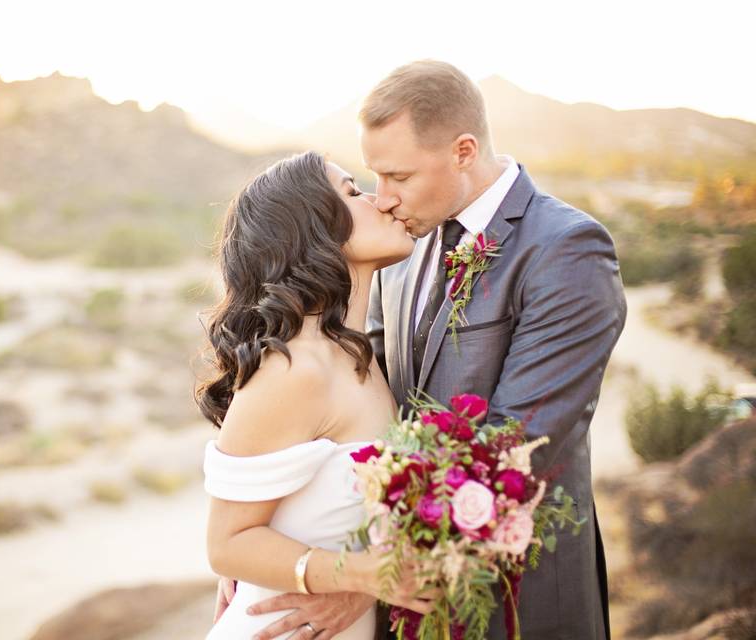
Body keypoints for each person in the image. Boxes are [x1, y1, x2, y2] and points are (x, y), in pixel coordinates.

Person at [236, 60, 627, 640]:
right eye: (374, 177)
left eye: (398, 176)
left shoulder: (564, 250)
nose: (384, 198)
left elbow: (512, 448)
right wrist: (265, 546)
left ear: (463, 151)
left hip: (516, 596)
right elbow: (355, 409)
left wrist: (364, 580)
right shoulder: (400, 249)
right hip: (401, 592)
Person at [197, 150, 423, 639]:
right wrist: (366, 576)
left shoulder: (357, 357)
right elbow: (227, 544)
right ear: (314, 229)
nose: (380, 201)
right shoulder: (297, 368)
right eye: (352, 191)